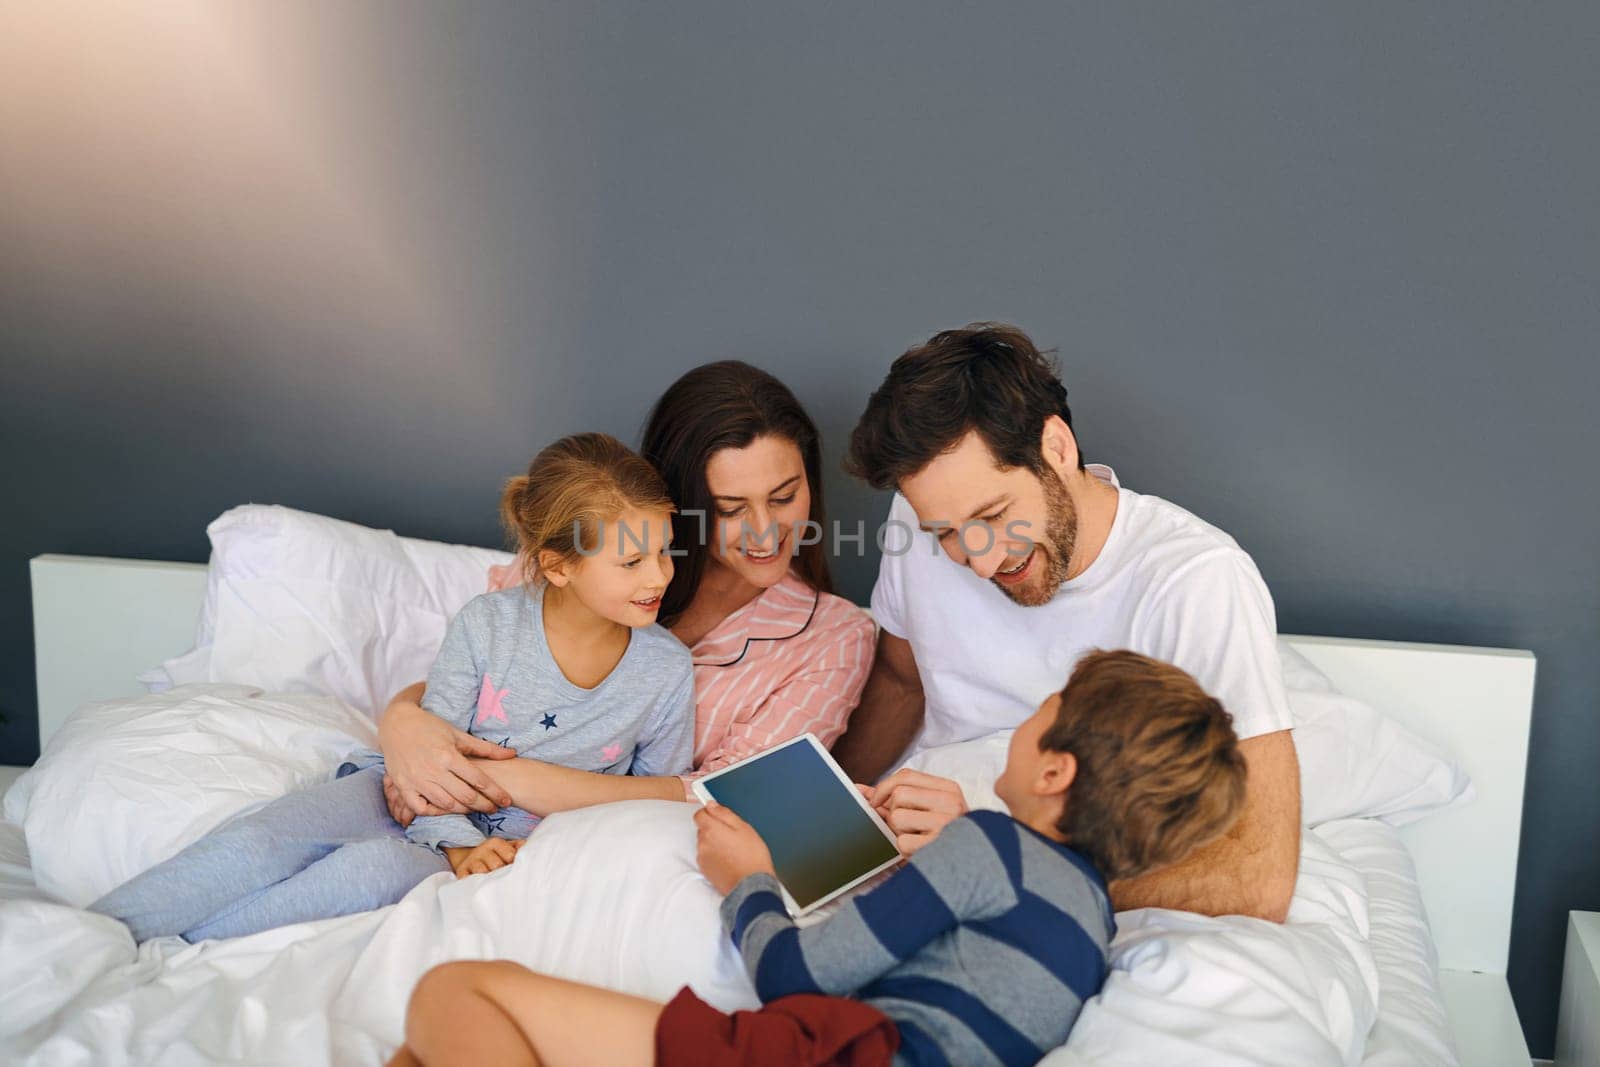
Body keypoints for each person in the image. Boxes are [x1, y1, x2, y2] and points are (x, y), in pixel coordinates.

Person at [384, 650, 1248, 1067]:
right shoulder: (1093, 919)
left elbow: (799, 979)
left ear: (1054, 769)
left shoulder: (990, 845)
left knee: (450, 992)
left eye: (1041, 707)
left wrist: (749, 877)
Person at [89, 433, 694, 941]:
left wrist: (467, 854)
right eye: (632, 562)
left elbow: (650, 806)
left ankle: (166, 950)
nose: (659, 576)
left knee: (365, 876)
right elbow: (430, 753)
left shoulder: (664, 671)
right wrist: (455, 839)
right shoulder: (489, 623)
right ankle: (97, 933)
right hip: (404, 794)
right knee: (262, 836)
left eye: (665, 551)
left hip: (508, 846)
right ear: (559, 565)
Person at [832, 322, 1302, 922]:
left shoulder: (1196, 580)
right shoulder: (919, 510)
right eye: (947, 534)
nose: (979, 561)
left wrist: (998, 859)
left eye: (994, 515)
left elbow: (1258, 881)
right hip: (921, 841)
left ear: (1056, 447)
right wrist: (831, 814)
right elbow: (901, 680)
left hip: (1030, 865)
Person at [377, 361, 876, 822]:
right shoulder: (594, 557)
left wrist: (497, 776)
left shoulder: (834, 637)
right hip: (464, 823)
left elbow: (730, 793)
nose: (766, 531)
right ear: (681, 502)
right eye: (730, 508)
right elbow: (483, 665)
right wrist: (403, 722)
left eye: (784, 496)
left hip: (607, 845)